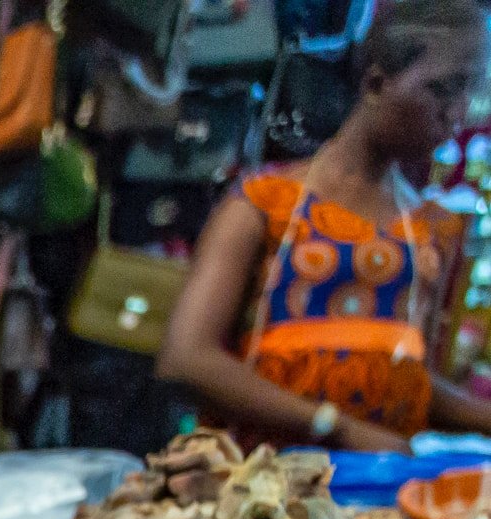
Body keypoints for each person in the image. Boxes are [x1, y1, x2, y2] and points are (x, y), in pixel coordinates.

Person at [156, 0, 491, 452]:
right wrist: (336, 427)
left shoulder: (430, 229)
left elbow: (407, 377)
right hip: (261, 478)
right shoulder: (264, 203)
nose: (455, 113)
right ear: (376, 84)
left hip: (381, 487)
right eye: (442, 90)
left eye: (467, 93)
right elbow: (185, 359)